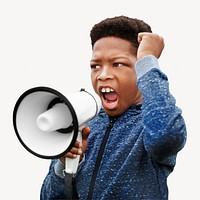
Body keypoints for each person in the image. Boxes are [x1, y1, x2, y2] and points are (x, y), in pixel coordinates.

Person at [40, 16, 187, 200]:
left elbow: (166, 137)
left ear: (139, 68)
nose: (103, 75)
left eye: (118, 64)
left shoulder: (151, 122)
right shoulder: (82, 123)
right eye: (95, 66)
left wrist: (148, 60)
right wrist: (64, 166)